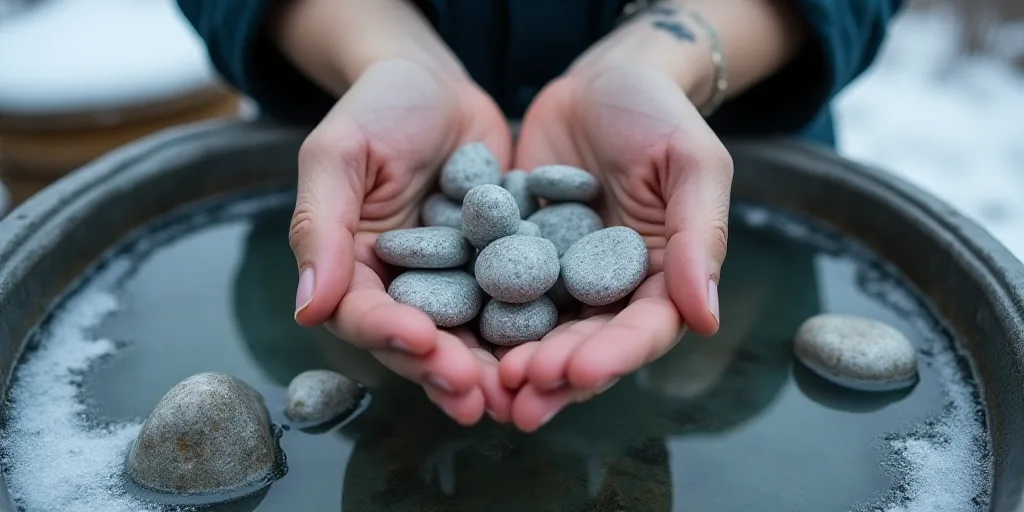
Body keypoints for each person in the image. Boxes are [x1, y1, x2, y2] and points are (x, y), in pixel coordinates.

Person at [177, 0, 904, 431]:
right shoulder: (472, 224)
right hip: (356, 164)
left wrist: (671, 54)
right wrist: (379, 49)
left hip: (720, 166)